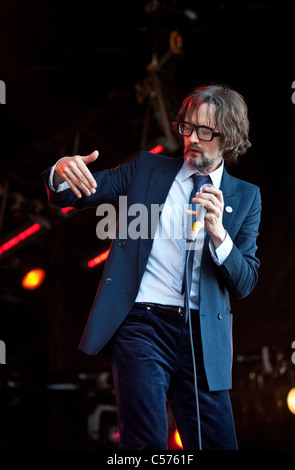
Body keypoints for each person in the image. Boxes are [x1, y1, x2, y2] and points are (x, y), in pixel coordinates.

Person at [42, 84, 261, 450]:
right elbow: (76, 192)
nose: (192, 139)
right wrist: (61, 173)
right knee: (145, 443)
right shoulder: (148, 170)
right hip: (143, 326)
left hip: (202, 335)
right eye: (186, 128)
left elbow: (245, 281)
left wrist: (220, 236)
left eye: (204, 132)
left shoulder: (246, 196)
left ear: (230, 136)